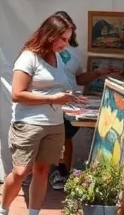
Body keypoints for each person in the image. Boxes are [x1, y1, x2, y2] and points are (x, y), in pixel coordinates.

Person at [0, 13, 83, 215]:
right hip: (28, 123)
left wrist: (66, 97)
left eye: (68, 39)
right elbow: (17, 94)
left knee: (43, 170)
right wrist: (53, 98)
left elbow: (56, 85)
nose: (66, 44)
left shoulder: (58, 57)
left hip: (54, 124)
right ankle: (3, 212)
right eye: (63, 39)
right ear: (50, 35)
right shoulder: (29, 57)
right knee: (21, 171)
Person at [49, 10, 114, 191]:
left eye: (69, 30)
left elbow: (77, 79)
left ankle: (62, 171)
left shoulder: (76, 52)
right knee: (54, 136)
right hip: (50, 100)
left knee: (66, 136)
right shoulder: (45, 50)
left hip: (70, 101)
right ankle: (49, 170)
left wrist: (97, 73)